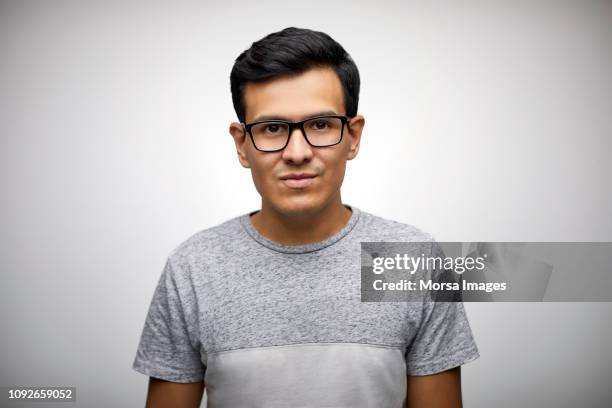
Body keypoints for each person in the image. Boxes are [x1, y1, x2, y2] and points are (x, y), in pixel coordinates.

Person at [132, 26, 479, 408]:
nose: (297, 152)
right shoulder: (193, 268)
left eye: (320, 125)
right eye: (273, 128)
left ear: (354, 136)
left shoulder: (414, 260)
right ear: (242, 145)